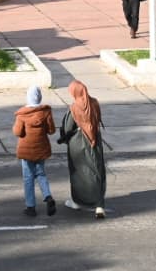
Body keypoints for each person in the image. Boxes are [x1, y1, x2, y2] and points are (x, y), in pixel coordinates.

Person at [57, 79, 106, 219]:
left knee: (78, 174)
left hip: (78, 145)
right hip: (95, 143)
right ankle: (99, 205)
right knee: (96, 171)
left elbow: (67, 128)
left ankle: (77, 202)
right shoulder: (95, 103)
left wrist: (64, 139)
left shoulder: (74, 108)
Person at [13, 85, 57, 218]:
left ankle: (31, 207)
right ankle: (48, 197)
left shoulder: (22, 115)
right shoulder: (46, 112)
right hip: (41, 149)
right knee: (41, 174)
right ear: (39, 97)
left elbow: (17, 132)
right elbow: (51, 130)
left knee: (28, 178)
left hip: (26, 152)